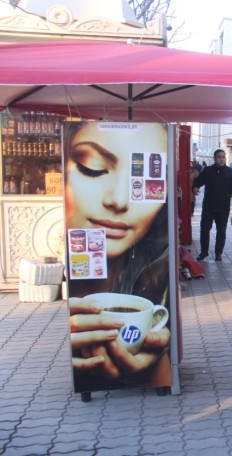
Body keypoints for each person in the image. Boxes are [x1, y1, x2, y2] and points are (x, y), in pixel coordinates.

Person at [64, 121, 172, 392]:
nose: (120, 199)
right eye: (93, 168)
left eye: (145, 180)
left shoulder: (164, 286)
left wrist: (157, 364)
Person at [192, 149, 232, 261]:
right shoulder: (208, 171)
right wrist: (195, 187)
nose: (222, 159)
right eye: (219, 157)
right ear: (214, 158)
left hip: (223, 207)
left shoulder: (231, 173)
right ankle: (204, 252)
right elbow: (199, 181)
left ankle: (218, 253)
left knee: (221, 231)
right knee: (204, 229)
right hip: (208, 206)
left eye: (223, 157)